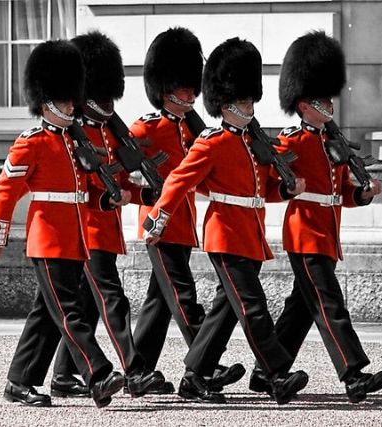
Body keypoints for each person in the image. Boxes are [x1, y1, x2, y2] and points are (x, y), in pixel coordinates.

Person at [142, 37, 308, 405]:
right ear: (225, 104)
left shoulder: (250, 143)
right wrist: (159, 218)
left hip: (249, 232)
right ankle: (277, 374)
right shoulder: (211, 142)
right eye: (243, 101)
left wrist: (288, 190)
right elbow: (179, 180)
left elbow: (262, 190)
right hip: (225, 233)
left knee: (228, 309)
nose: (249, 107)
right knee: (253, 306)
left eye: (251, 100)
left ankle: (195, 375)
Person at [247, 31, 382, 403]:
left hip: (327, 232)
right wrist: (288, 189)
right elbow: (265, 186)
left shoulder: (333, 143)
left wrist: (364, 193)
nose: (329, 103)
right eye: (321, 98)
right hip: (305, 232)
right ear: (303, 103)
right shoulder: (289, 141)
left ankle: (266, 373)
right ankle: (353, 373)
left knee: (302, 307)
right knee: (330, 303)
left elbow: (340, 192)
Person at [0, 39, 124, 408]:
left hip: (75, 238)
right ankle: (98, 372)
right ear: (45, 101)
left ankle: (20, 382)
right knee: (69, 311)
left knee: (47, 314)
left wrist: (107, 198)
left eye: (70, 98)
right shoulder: (30, 143)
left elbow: (86, 191)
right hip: (47, 240)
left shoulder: (74, 142)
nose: (69, 105)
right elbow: (6, 189)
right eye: (63, 100)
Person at [49, 31, 165, 399]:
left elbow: (117, 182)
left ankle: (63, 376)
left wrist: (144, 192)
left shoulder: (108, 131)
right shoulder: (73, 134)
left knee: (85, 303)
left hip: (104, 228)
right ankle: (135, 369)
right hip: (85, 229)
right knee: (113, 298)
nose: (108, 101)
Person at [129, 27, 244, 394]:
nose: (192, 93)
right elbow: (116, 169)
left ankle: (139, 371)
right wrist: (140, 195)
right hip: (158, 227)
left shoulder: (192, 130)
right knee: (183, 295)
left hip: (184, 225)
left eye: (193, 85)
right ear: (165, 89)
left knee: (159, 303)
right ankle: (205, 366)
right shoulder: (144, 130)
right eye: (184, 86)